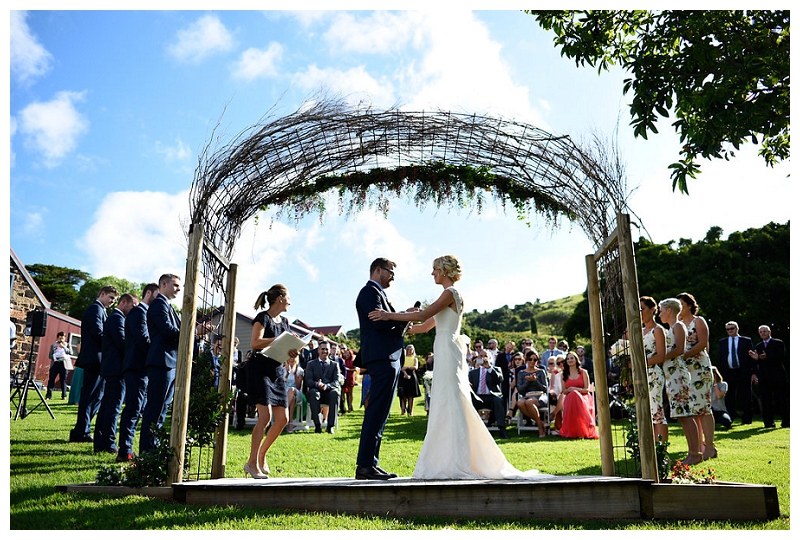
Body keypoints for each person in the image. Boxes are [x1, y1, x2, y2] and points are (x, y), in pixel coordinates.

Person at [369, 255, 545, 479]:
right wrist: (394, 326)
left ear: (444, 270)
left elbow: (423, 314)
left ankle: (458, 458)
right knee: (445, 399)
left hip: (448, 349)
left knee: (451, 398)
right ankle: (447, 456)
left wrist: (387, 315)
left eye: (434, 269)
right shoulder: (447, 294)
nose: (432, 273)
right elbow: (423, 327)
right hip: (443, 347)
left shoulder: (451, 293)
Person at [139, 274, 212, 454]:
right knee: (155, 408)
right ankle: (147, 452)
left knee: (163, 409)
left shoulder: (168, 306)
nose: (179, 289)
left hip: (170, 363)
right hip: (161, 362)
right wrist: (195, 330)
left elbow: (179, 331)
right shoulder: (158, 304)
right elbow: (168, 331)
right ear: (163, 284)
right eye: (176, 285)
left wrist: (195, 333)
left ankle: (154, 449)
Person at [354, 257, 406, 481]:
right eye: (391, 271)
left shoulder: (380, 294)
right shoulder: (369, 293)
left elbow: (388, 321)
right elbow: (379, 322)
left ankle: (371, 463)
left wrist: (402, 317)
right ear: (378, 270)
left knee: (381, 413)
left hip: (388, 357)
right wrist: (405, 316)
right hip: (381, 358)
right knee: (376, 412)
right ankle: (365, 465)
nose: (393, 276)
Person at [245, 284, 298, 479]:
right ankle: (251, 463)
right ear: (281, 298)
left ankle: (261, 454)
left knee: (282, 419)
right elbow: (255, 343)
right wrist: (279, 339)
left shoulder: (285, 322)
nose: (290, 302)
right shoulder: (263, 318)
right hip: (259, 371)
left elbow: (286, 348)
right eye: (288, 298)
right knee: (265, 417)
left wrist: (293, 351)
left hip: (276, 371)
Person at [69, 285, 119, 444]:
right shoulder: (94, 310)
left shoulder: (101, 311)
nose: (112, 301)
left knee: (96, 397)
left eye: (114, 299)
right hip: (94, 359)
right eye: (111, 297)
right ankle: (80, 432)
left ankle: (82, 429)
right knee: (89, 397)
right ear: (102, 293)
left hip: (99, 360)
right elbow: (99, 334)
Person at [116, 283, 158, 462]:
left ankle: (128, 449)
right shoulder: (138, 312)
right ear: (148, 293)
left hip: (141, 368)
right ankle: (125, 451)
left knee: (138, 409)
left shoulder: (144, 313)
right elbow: (143, 339)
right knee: (133, 409)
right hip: (136, 367)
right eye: (157, 294)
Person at [658, 297, 702, 465]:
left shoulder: (678, 326)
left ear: (669, 310)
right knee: (682, 414)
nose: (660, 314)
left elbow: (680, 349)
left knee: (685, 413)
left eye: (661, 310)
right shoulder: (670, 328)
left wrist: (660, 357)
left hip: (678, 373)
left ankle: (695, 453)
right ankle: (693, 452)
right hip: (671, 374)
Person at [94, 293, 139, 454]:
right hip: (116, 370)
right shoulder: (117, 319)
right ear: (124, 302)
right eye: (133, 306)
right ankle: (108, 442)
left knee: (108, 406)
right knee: (113, 407)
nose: (134, 310)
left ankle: (101, 441)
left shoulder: (115, 318)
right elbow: (123, 343)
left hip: (112, 369)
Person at [677, 292, 716, 460]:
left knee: (703, 408)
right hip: (685, 372)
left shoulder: (698, 321)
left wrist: (684, 355)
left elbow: (703, 344)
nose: (679, 308)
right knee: (692, 409)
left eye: (681, 305)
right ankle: (699, 446)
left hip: (700, 369)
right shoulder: (678, 325)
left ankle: (710, 446)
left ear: (689, 305)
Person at [718, 321, 757, 425]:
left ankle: (747, 419)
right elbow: (721, 358)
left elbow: (752, 357)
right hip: (729, 372)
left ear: (737, 329)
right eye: (728, 329)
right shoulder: (723, 342)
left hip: (743, 371)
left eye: (732, 328)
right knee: (730, 396)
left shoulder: (746, 340)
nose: (730, 331)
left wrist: (753, 372)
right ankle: (730, 418)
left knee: (746, 395)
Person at [750, 325, 789, 428]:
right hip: (764, 377)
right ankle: (768, 423)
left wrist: (767, 357)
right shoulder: (758, 346)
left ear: (769, 331)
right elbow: (757, 362)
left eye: (764, 331)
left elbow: (780, 357)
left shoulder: (778, 343)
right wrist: (756, 358)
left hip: (778, 376)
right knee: (766, 400)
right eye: (761, 332)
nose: (763, 333)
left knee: (782, 399)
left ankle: (786, 422)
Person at [641, 296, 668, 443]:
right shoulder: (639, 331)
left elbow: (661, 356)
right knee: (646, 413)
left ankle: (661, 450)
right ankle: (650, 447)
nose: (640, 313)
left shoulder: (658, 330)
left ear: (652, 310)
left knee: (656, 411)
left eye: (642, 309)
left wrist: (642, 363)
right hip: (641, 375)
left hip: (654, 375)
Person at [557, 351, 598, 439]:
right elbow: (564, 391)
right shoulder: (564, 374)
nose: (569, 360)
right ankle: (573, 431)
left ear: (576, 359)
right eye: (568, 359)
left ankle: (583, 430)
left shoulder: (583, 372)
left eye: (572, 358)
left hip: (584, 397)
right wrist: (571, 391)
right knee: (573, 395)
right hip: (570, 398)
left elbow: (587, 389)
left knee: (575, 394)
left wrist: (575, 389)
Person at [468, 356, 509, 438]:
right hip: (478, 397)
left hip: (491, 396)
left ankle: (502, 429)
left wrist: (489, 368)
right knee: (469, 402)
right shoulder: (473, 372)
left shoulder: (496, 369)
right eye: (481, 357)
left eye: (485, 356)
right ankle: (470, 429)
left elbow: (499, 379)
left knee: (498, 401)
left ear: (490, 358)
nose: (483, 358)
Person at [304, 341, 341, 433]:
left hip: (329, 393)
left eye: (327, 349)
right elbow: (308, 381)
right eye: (323, 349)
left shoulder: (334, 365)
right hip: (315, 392)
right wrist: (317, 384)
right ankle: (317, 426)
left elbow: (336, 381)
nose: (325, 351)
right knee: (313, 393)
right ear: (318, 350)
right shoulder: (311, 364)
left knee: (335, 393)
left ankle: (330, 426)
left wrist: (327, 386)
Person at [515, 349, 549, 436]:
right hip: (527, 395)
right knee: (519, 403)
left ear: (537, 361)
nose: (532, 361)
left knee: (529, 402)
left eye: (535, 360)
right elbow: (520, 389)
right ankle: (540, 423)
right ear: (526, 360)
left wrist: (536, 381)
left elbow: (545, 388)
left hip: (540, 395)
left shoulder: (541, 371)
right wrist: (528, 381)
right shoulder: (521, 373)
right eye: (530, 359)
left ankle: (540, 428)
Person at [46, 332, 72, 400]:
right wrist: (55, 356)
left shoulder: (67, 345)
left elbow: (71, 352)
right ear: (57, 338)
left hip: (64, 364)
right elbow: (50, 355)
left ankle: (64, 396)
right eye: (59, 338)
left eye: (62, 338)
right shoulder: (53, 345)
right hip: (55, 364)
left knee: (63, 380)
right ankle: (48, 396)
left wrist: (64, 347)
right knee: (51, 379)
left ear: (64, 338)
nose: (61, 340)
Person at [397, 344, 421, 416]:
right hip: (402, 375)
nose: (410, 351)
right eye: (408, 349)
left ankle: (410, 411)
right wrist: (404, 372)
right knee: (403, 394)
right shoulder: (403, 358)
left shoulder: (415, 358)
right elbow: (401, 367)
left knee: (411, 395)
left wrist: (407, 367)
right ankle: (403, 410)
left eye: (411, 349)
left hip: (411, 376)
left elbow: (415, 367)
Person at [284, 352, 304, 432]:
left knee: (292, 390)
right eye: (290, 357)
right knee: (292, 399)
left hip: (296, 391)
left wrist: (295, 374)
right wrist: (287, 374)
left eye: (293, 357)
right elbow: (281, 384)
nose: (291, 359)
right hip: (284, 392)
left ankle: (284, 411)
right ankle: (290, 423)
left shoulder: (300, 370)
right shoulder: (282, 369)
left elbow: (298, 386)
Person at [341, 346, 357, 414]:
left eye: (348, 354)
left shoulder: (353, 361)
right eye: (346, 354)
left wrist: (348, 369)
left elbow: (355, 369)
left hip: (350, 377)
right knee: (343, 393)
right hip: (344, 378)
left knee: (350, 393)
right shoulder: (343, 361)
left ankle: (350, 407)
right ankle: (343, 407)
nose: (347, 355)